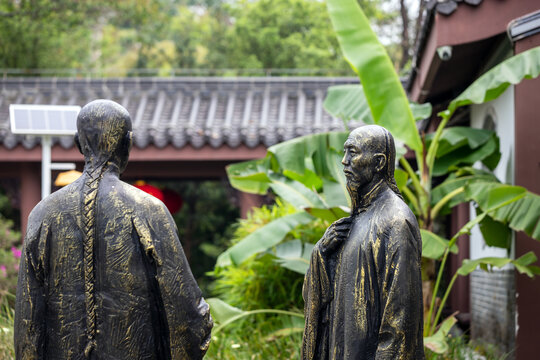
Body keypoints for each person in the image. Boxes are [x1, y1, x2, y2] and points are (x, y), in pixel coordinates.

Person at [15, 100, 212, 360]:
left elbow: (27, 323)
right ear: (127, 143)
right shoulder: (149, 210)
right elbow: (188, 313)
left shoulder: (43, 214)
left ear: (78, 143)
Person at [302, 125, 424, 360]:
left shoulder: (396, 221)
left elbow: (400, 326)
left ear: (379, 162)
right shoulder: (357, 217)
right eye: (344, 152)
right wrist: (322, 253)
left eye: (353, 152)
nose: (344, 161)